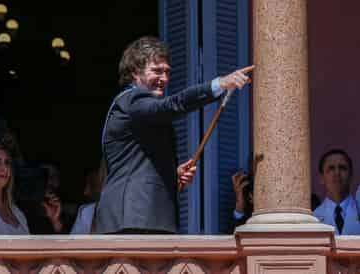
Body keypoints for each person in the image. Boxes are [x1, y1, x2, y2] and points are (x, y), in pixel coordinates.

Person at [96, 36, 254, 234]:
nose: (164, 78)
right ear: (135, 73)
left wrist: (173, 174)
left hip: (145, 218)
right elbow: (173, 104)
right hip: (133, 218)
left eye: (167, 72)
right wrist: (220, 84)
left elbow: (135, 164)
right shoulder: (132, 100)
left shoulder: (139, 109)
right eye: (156, 71)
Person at [313, 149, 360, 235]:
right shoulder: (314, 218)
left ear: (351, 174)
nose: (337, 173)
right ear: (321, 178)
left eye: (342, 168)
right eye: (331, 168)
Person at [71, 161, 106, 234]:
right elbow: (74, 242)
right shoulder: (85, 211)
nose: (86, 192)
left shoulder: (127, 211)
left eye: (91, 186)